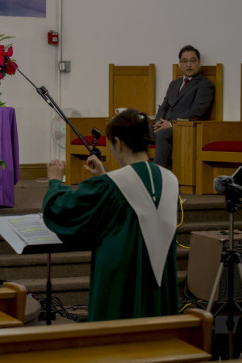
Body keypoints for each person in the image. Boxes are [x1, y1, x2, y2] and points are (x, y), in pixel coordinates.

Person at [43, 109, 179, 321]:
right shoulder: (170, 179)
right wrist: (104, 176)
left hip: (122, 277)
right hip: (160, 279)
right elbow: (137, 205)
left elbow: (64, 209)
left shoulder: (111, 185)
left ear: (118, 142)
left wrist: (55, 182)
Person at [152, 45, 214, 167]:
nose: (188, 65)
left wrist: (171, 124)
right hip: (164, 126)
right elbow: (164, 107)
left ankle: (158, 175)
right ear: (179, 64)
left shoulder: (205, 85)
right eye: (184, 61)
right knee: (135, 132)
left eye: (193, 61)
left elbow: (197, 111)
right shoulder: (174, 84)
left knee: (162, 134)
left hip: (185, 128)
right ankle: (137, 173)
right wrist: (158, 123)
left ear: (199, 63)